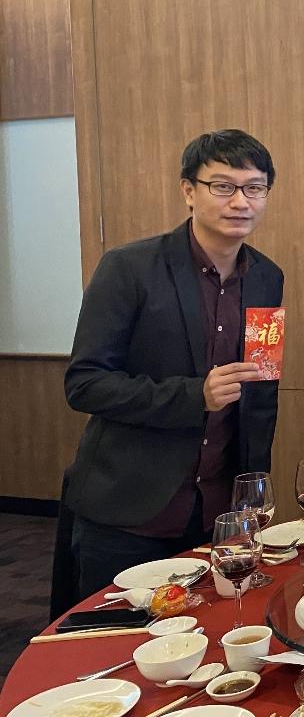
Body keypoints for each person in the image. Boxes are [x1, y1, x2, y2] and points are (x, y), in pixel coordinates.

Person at [64, 130, 283, 598]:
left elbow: (261, 391)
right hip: (131, 509)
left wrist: (252, 493)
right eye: (222, 186)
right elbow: (84, 383)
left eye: (254, 187)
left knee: (207, 647)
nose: (240, 201)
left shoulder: (267, 276)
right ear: (189, 190)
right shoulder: (130, 267)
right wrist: (193, 395)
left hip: (218, 513)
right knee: (111, 649)